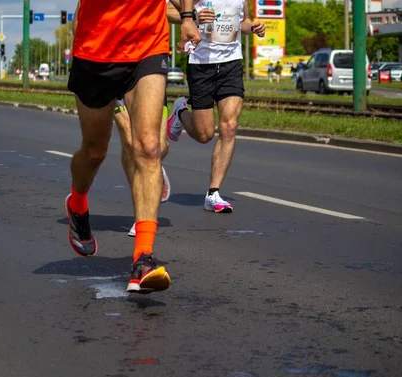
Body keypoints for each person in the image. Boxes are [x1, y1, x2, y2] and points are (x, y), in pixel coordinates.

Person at [66, 0, 172, 293]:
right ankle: (77, 203)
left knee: (149, 146)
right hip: (96, 50)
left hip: (148, 45)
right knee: (95, 150)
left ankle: (143, 258)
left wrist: (188, 16)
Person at [169, 0, 265, 213]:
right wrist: (193, 16)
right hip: (201, 65)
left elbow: (244, 21)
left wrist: (254, 27)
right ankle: (180, 111)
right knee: (204, 135)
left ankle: (213, 193)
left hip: (231, 64)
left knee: (229, 126)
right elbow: (168, 11)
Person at [110, 0, 182, 237]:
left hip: (148, 61)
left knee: (156, 147)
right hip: (112, 62)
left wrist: (192, 17)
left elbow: (174, 9)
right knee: (131, 141)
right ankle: (141, 218)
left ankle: (153, 166)